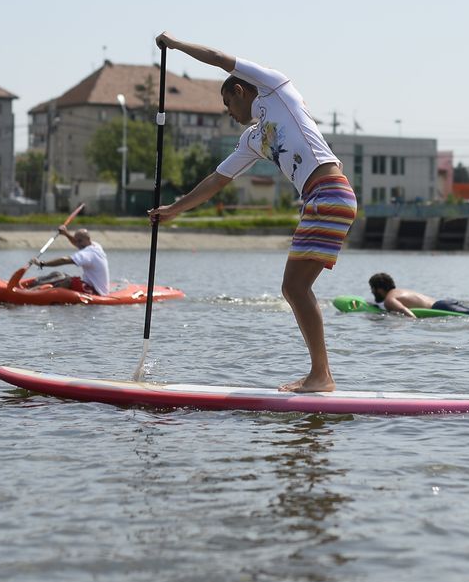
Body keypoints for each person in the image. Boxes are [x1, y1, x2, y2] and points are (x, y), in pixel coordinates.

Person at [148, 32, 357, 393]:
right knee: (294, 287)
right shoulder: (253, 138)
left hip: (329, 192)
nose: (229, 114)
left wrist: (175, 45)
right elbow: (217, 179)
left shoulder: (275, 88)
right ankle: (320, 374)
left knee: (295, 286)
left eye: (228, 104)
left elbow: (216, 56)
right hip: (318, 198)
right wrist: (174, 210)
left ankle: (322, 376)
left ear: (240, 91)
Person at [29, 226, 110, 295]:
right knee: (58, 274)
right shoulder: (96, 246)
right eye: (77, 241)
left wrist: (42, 264)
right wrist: (66, 233)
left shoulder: (87, 254)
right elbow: (76, 242)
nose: (77, 244)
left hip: (95, 291)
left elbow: (64, 260)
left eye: (80, 241)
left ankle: (40, 293)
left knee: (68, 281)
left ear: (88, 239)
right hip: (90, 285)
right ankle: (36, 286)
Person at [367, 273, 469, 318]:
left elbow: (404, 311)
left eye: (372, 289)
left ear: (379, 289)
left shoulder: (389, 299)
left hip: (440, 308)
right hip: (444, 303)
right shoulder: (399, 291)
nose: (372, 292)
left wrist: (414, 321)